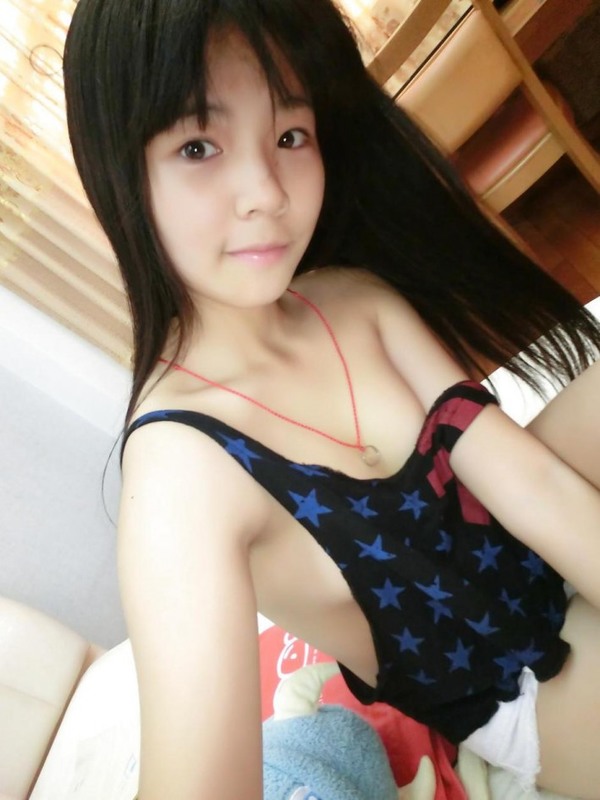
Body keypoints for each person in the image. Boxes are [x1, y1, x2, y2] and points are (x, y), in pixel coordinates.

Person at [63, 1, 600, 798]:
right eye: (199, 146)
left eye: (290, 136)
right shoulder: (180, 469)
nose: (266, 192)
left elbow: (530, 480)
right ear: (121, 175)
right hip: (524, 692)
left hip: (541, 558)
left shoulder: (353, 299)